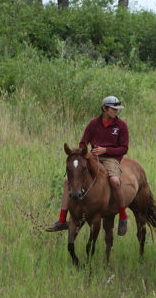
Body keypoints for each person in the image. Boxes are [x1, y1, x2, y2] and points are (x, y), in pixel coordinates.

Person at [46, 95, 130, 235]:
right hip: (92, 157)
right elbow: (83, 142)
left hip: (111, 159)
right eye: (113, 109)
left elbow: (124, 148)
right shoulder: (93, 124)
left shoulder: (121, 126)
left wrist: (106, 150)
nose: (116, 112)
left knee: (115, 181)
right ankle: (61, 220)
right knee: (68, 181)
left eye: (117, 109)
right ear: (104, 108)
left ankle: (122, 215)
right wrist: (84, 153)